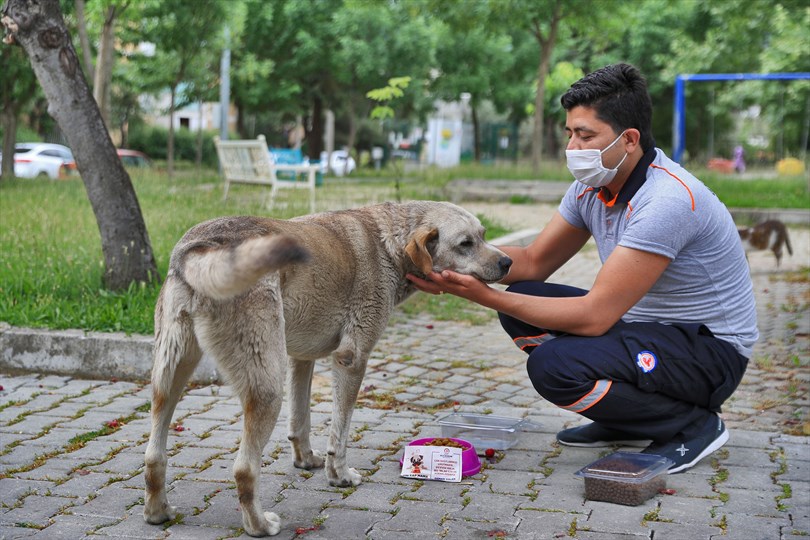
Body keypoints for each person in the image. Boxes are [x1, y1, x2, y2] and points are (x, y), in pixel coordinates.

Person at [407, 63, 757, 474]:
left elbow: (594, 318)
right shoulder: (592, 187)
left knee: (553, 367)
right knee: (525, 298)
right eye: (570, 133)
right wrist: (457, 259)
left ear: (629, 140)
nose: (573, 147)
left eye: (586, 135)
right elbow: (535, 261)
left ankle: (693, 425)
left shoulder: (667, 201)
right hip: (649, 333)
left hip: (709, 354)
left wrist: (481, 295)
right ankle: (626, 415)